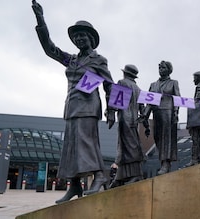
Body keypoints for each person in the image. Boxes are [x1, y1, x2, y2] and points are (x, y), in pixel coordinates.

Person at [32, 0, 115, 203]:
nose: (78, 39)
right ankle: (75, 185)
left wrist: (111, 110)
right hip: (71, 106)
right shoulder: (72, 60)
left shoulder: (99, 60)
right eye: (76, 36)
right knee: (70, 146)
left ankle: (100, 175)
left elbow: (110, 85)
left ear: (90, 39)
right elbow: (50, 48)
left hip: (88, 106)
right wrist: (40, 19)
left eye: (82, 35)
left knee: (87, 143)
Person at [109, 65, 150, 188]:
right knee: (129, 146)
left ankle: (135, 174)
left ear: (125, 73)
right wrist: (146, 126)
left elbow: (115, 101)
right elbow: (143, 111)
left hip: (124, 119)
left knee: (126, 147)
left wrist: (110, 112)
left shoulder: (122, 83)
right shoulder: (138, 89)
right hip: (134, 122)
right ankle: (120, 176)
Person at [142, 61, 180, 175]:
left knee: (166, 138)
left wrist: (176, 112)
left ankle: (165, 163)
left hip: (167, 112)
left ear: (169, 69)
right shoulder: (153, 84)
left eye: (163, 67)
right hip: (156, 114)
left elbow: (177, 98)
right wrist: (145, 115)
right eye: (159, 67)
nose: (160, 69)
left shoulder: (173, 83)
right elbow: (149, 102)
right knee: (157, 137)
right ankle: (162, 161)